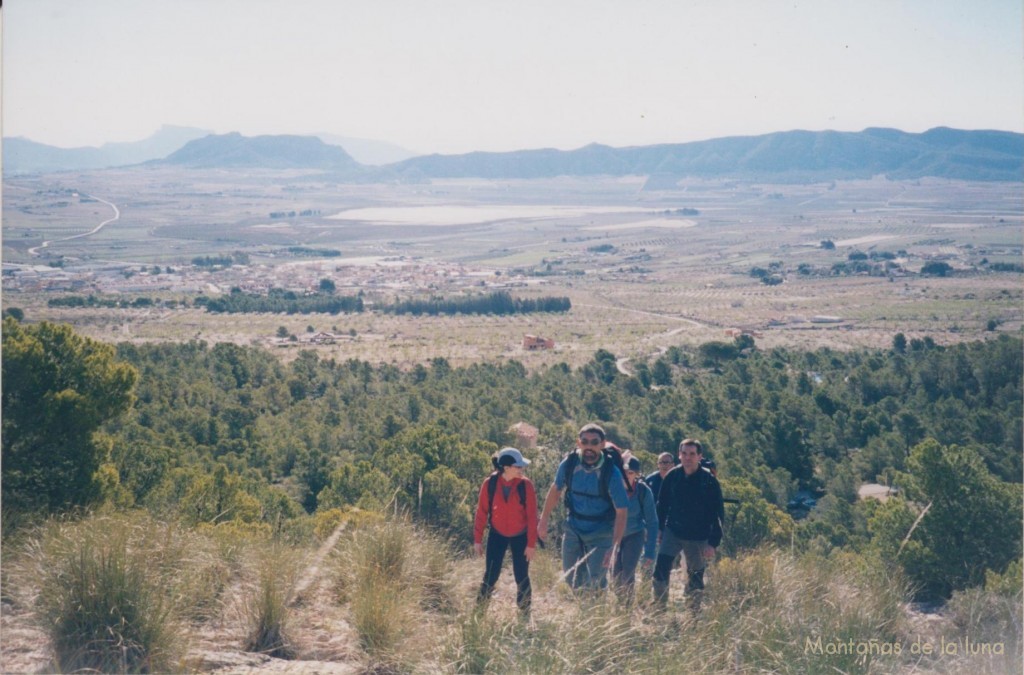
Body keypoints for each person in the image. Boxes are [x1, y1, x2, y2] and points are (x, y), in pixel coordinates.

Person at [538, 423, 628, 591]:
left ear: (602, 444)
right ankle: (584, 608)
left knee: (597, 581)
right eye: (585, 441)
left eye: (594, 442)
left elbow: (621, 511)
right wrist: (543, 519)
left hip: (602, 534)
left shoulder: (611, 472)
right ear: (578, 443)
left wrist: (614, 546)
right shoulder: (569, 464)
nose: (589, 446)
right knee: (570, 576)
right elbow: (556, 490)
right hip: (574, 528)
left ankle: (596, 613)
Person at [653, 439, 724, 610]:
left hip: (698, 536)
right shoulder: (673, 476)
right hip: (673, 531)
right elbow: (662, 505)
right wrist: (660, 529)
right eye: (684, 453)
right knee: (661, 569)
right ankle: (659, 608)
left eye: (692, 454)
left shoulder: (709, 481)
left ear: (700, 456)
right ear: (679, 455)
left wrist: (713, 543)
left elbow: (718, 514)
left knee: (696, 576)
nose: (688, 458)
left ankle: (693, 613)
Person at [473, 447, 538, 615]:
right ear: (506, 467)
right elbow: (481, 513)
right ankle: (479, 611)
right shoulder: (490, 484)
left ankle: (524, 613)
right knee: (491, 574)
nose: (521, 469)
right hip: (497, 535)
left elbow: (532, 517)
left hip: (521, 537)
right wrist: (477, 540)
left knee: (521, 575)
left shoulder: (526, 485)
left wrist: (531, 544)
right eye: (518, 466)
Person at [612, 455, 658, 605]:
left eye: (631, 473)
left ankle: (627, 607)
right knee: (615, 573)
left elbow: (652, 522)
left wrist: (650, 551)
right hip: (613, 536)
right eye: (624, 472)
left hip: (634, 534)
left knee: (628, 571)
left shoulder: (644, 492)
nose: (627, 475)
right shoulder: (611, 488)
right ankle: (619, 604)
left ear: (637, 474)